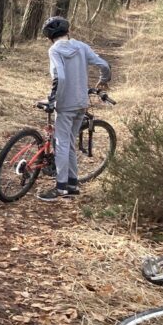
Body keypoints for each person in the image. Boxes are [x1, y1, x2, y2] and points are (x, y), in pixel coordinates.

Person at [37, 16, 111, 202]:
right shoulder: (81, 46)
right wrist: (103, 80)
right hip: (81, 103)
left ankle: (60, 187)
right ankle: (72, 184)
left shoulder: (55, 50)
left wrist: (52, 100)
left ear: (49, 37)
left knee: (61, 143)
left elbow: (59, 77)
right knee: (69, 142)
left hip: (65, 104)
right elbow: (103, 64)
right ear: (67, 31)